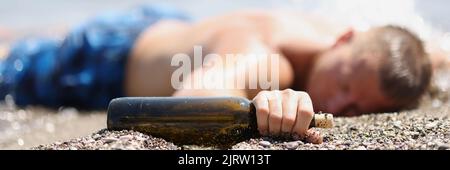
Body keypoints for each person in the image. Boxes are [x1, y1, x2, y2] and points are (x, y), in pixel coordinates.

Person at [0, 4, 435, 139]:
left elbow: (425, 52)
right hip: (101, 60)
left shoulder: (338, 37)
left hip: (171, 25)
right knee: (15, 66)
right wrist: (262, 105)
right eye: (342, 84)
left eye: (358, 106)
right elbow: (187, 104)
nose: (340, 105)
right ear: (344, 41)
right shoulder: (261, 57)